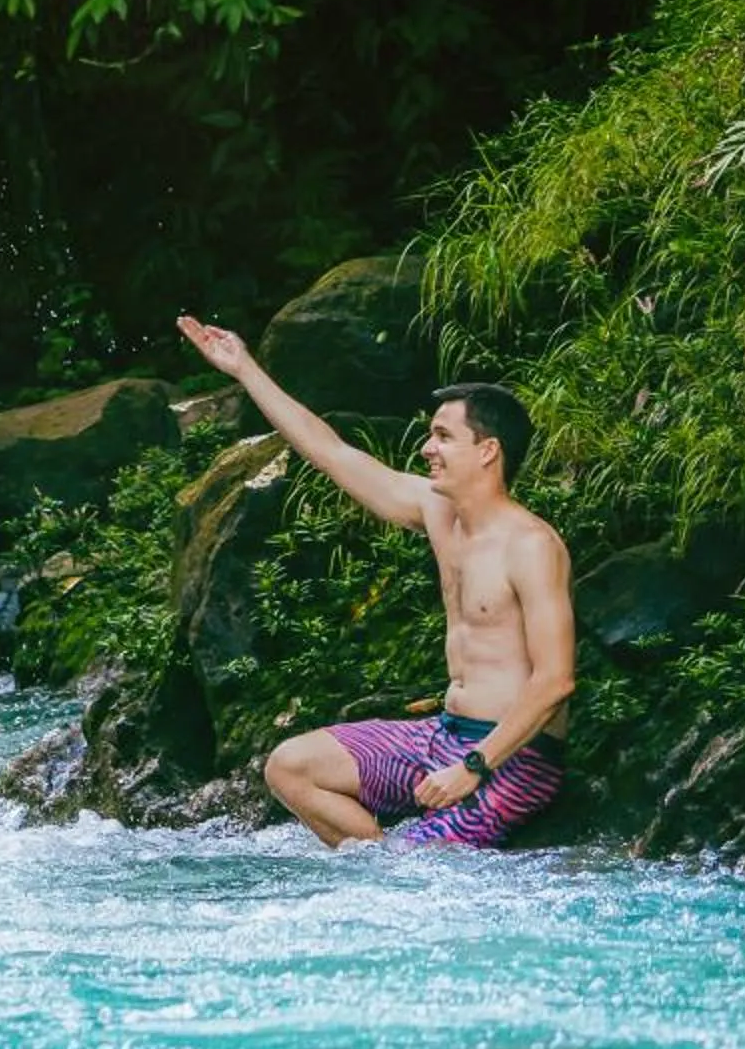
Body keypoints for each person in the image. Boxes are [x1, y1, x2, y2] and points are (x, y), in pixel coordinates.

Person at [175, 315, 574, 847]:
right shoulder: (437, 512)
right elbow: (332, 452)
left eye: (442, 436)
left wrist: (472, 768)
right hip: (440, 736)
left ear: (488, 450)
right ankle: (379, 857)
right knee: (290, 766)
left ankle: (397, 865)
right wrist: (244, 369)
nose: (427, 448)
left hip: (512, 758)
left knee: (411, 878)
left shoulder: (531, 545)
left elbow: (555, 681)